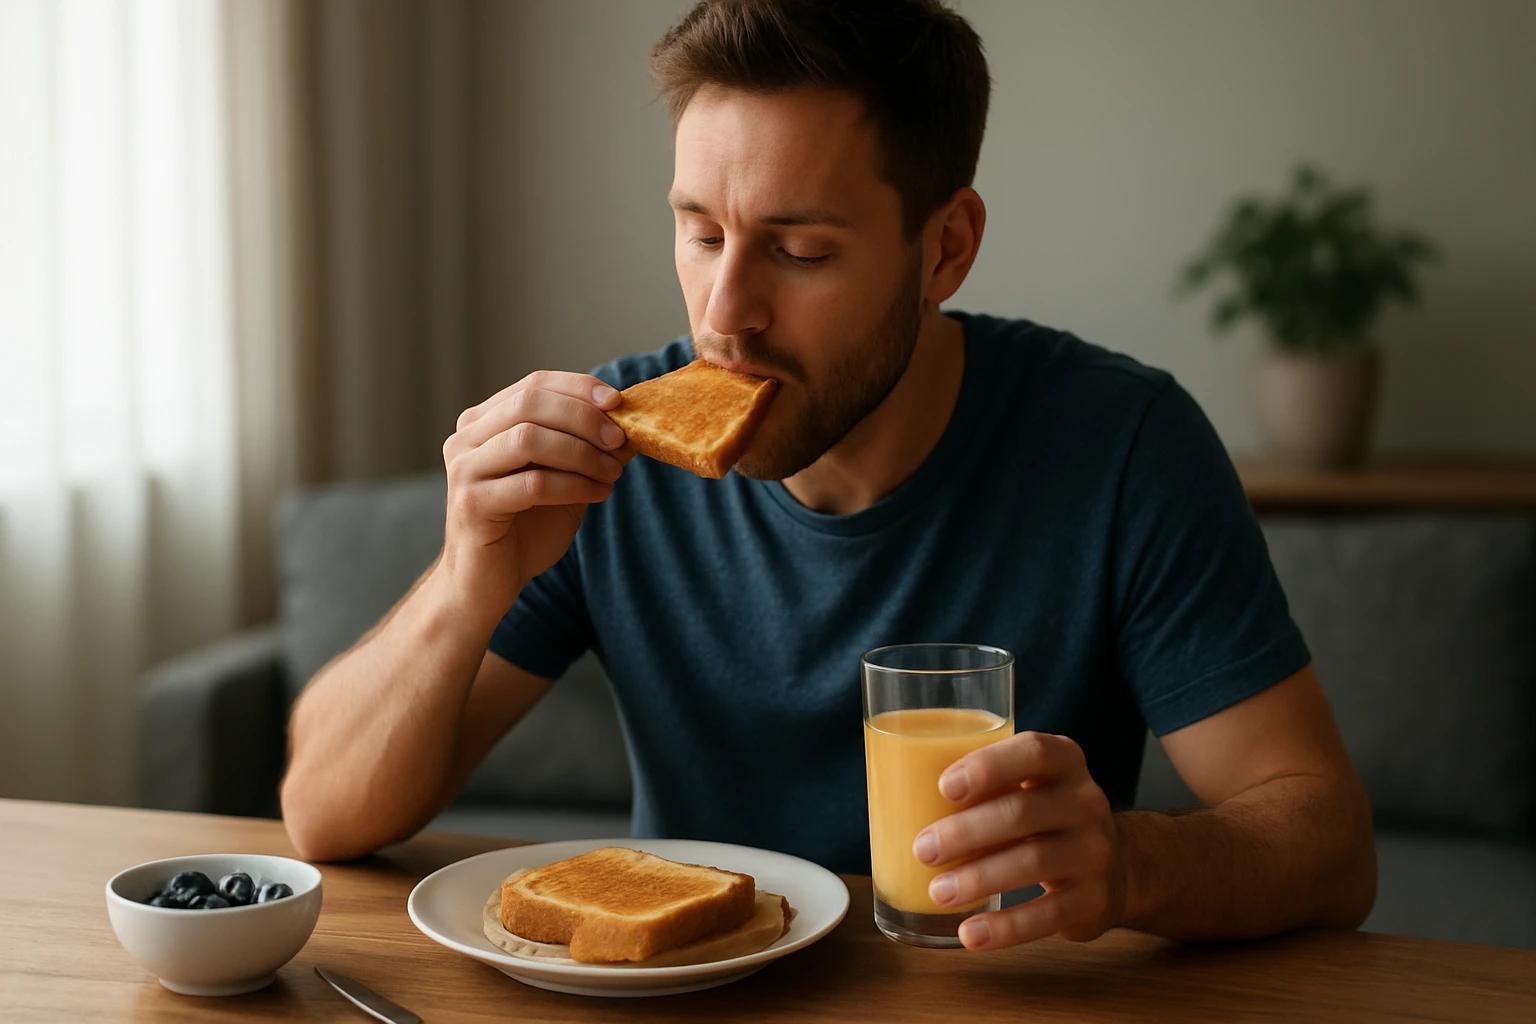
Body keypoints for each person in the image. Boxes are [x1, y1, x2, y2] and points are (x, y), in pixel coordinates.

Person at [281, 0, 1376, 951]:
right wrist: (469, 579)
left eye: (800, 251)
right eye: (700, 232)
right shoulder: (614, 454)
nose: (725, 315)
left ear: (946, 248)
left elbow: (1328, 845)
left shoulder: (1124, 447)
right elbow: (321, 815)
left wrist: (1131, 866)